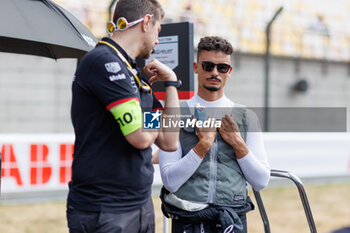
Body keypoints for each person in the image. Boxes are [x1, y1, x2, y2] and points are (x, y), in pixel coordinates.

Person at [67, 0, 181, 232]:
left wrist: (171, 84)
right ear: (147, 22)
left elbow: (169, 141)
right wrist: (151, 109)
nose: (158, 41)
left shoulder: (134, 73)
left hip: (139, 204)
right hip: (104, 210)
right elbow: (140, 136)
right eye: (158, 31)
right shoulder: (104, 62)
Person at [159, 36, 270, 233]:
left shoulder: (247, 116)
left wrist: (238, 144)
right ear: (196, 67)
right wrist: (203, 145)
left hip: (231, 220)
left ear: (230, 71)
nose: (215, 73)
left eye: (222, 68)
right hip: (188, 220)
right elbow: (170, 181)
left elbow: (261, 181)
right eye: (208, 65)